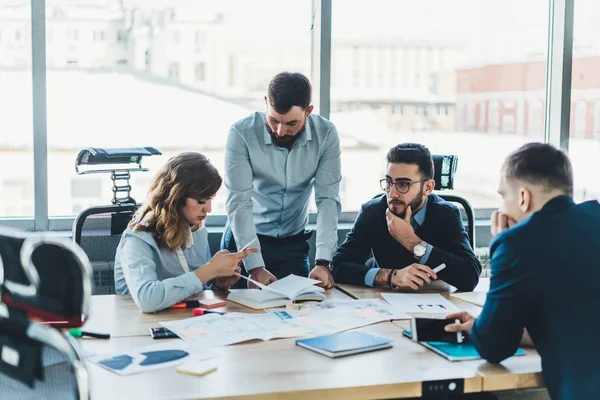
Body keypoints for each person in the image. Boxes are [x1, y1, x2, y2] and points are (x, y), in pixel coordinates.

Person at [444, 143, 600, 399]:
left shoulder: (516, 244)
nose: (502, 208)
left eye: (503, 196)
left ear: (524, 198)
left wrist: (503, 244)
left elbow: (494, 347)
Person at [222, 72, 341, 289]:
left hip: (291, 246)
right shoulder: (241, 133)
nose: (280, 130)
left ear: (309, 111)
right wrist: (255, 266)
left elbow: (328, 200)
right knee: (238, 316)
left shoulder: (326, 134)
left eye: (291, 123)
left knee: (300, 314)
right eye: (274, 120)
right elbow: (239, 202)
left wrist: (323, 261)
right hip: (245, 243)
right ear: (266, 103)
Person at [114, 152, 257, 313]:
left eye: (211, 200)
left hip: (183, 321)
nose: (208, 209)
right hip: (138, 327)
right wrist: (210, 269)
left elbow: (195, 290)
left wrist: (217, 284)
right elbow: (148, 300)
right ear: (176, 198)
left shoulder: (198, 232)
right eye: (201, 201)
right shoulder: (137, 239)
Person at [332, 143, 481, 291]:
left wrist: (413, 243)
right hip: (384, 301)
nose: (392, 194)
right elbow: (338, 266)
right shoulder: (372, 212)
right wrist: (391, 276)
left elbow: (470, 276)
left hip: (432, 300)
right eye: (389, 182)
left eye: (403, 184)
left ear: (428, 187)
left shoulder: (446, 214)